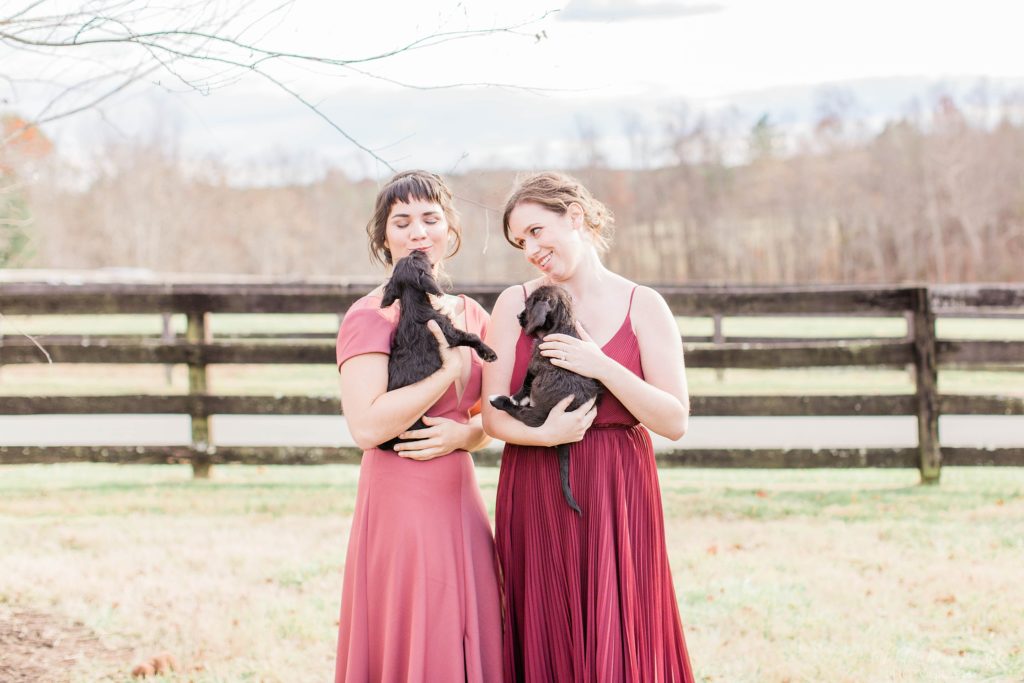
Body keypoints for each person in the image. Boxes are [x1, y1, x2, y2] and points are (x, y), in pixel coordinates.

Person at [482, 171, 696, 682]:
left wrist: (600, 364)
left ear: (575, 217)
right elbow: (492, 415)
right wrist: (543, 435)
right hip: (536, 480)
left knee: (619, 627)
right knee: (545, 621)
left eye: (537, 231)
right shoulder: (514, 304)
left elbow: (674, 420)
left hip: (618, 487)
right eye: (520, 241)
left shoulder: (643, 305)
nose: (530, 248)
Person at [333, 170, 502, 682]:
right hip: (400, 492)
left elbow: (491, 415)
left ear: (450, 229)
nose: (418, 231)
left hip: (460, 494)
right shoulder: (369, 316)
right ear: (384, 236)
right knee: (421, 627)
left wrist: (467, 436)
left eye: (431, 218)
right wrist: (447, 372)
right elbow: (365, 427)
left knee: (470, 622)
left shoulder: (472, 314)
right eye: (402, 221)